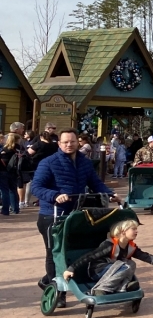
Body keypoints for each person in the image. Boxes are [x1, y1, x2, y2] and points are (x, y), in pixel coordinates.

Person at [32, 130, 119, 306]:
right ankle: (58, 292)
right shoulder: (48, 163)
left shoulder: (84, 163)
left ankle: (48, 280)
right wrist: (55, 195)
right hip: (52, 215)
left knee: (79, 250)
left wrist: (109, 194)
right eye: (65, 142)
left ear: (78, 143)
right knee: (54, 254)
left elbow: (96, 183)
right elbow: (36, 187)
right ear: (59, 144)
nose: (68, 145)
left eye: (72, 141)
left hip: (76, 215)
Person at [62, 218, 153, 294]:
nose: (136, 231)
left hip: (115, 270)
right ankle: (101, 289)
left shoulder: (131, 246)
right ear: (122, 232)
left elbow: (143, 255)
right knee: (126, 266)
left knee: (131, 263)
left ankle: (122, 287)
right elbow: (90, 256)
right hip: (98, 271)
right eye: (133, 229)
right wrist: (71, 268)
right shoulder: (109, 244)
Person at [1, 132, 22, 215]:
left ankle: (5, 210)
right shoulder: (19, 148)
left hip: (4, 171)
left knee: (4, 191)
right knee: (13, 190)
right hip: (14, 171)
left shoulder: (5, 149)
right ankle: (15, 209)